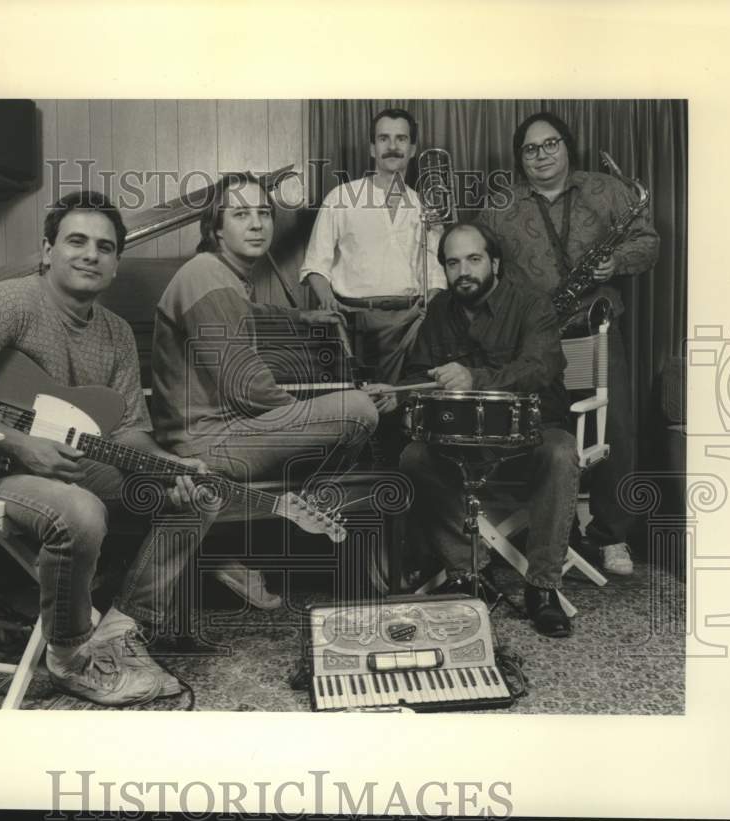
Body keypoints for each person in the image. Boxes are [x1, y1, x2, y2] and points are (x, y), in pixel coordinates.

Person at [0, 190, 214, 707]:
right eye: (76, 241)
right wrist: (22, 446)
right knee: (81, 513)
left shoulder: (114, 333)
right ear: (47, 251)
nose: (91, 254)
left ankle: (119, 629)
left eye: (105, 247)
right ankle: (69, 657)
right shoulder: (8, 302)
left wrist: (168, 465)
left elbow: (130, 431)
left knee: (200, 491)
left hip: (72, 463)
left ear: (115, 264)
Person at [149, 173, 380, 607]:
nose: (257, 224)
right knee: (360, 409)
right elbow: (247, 385)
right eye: (240, 214)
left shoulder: (216, 275)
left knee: (340, 414)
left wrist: (300, 319)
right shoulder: (207, 276)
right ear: (216, 228)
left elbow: (246, 312)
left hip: (213, 433)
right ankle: (298, 517)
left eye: (263, 213)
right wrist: (308, 418)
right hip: (207, 444)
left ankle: (226, 554)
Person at [370, 222, 579, 638]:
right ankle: (469, 571)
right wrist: (400, 395)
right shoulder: (439, 314)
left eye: (473, 259)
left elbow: (540, 368)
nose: (463, 271)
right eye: (452, 262)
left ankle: (542, 587)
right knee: (413, 457)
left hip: (532, 435)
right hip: (462, 444)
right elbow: (418, 374)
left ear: (495, 263)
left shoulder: (533, 305)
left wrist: (474, 378)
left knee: (562, 453)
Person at [479, 112, 660, 576]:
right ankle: (542, 532)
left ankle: (611, 536)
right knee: (543, 432)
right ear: (520, 157)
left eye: (550, 144)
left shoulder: (607, 190)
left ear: (567, 147)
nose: (542, 155)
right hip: (535, 340)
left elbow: (648, 243)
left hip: (591, 332)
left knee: (610, 431)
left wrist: (616, 260)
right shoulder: (500, 205)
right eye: (530, 149)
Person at [299, 107, 447, 386]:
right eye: (384, 139)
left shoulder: (427, 206)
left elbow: (436, 275)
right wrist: (329, 300)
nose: (393, 147)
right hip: (353, 322)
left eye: (401, 139)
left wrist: (423, 314)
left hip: (410, 324)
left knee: (402, 410)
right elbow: (315, 266)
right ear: (371, 147)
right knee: (359, 408)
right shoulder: (341, 197)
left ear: (413, 149)